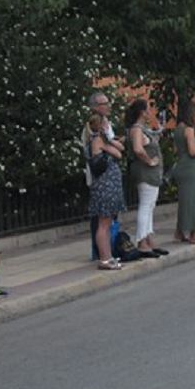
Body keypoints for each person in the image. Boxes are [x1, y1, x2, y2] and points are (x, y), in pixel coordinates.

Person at [126, 99, 167, 256]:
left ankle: (149, 239)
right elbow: (138, 149)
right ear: (142, 112)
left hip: (149, 173)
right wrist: (149, 161)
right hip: (145, 172)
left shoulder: (142, 129)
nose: (150, 112)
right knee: (146, 206)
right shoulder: (137, 129)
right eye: (148, 109)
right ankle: (142, 242)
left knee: (150, 206)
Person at [86, 112, 127, 269]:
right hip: (104, 187)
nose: (109, 125)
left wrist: (110, 138)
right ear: (101, 125)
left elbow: (120, 148)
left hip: (110, 186)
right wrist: (110, 141)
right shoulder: (97, 140)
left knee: (108, 223)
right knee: (103, 224)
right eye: (107, 123)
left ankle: (108, 256)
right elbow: (117, 152)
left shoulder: (104, 140)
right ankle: (104, 258)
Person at [82, 91, 116, 262]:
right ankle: (101, 254)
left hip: (108, 178)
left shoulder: (107, 125)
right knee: (102, 220)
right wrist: (111, 146)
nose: (108, 106)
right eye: (104, 103)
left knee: (107, 220)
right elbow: (113, 150)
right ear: (95, 107)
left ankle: (107, 251)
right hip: (101, 179)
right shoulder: (93, 132)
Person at [173, 101, 195, 246]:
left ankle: (180, 231)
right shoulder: (189, 130)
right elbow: (192, 151)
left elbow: (176, 150)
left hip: (181, 165)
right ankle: (194, 233)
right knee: (193, 201)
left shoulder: (178, 128)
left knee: (184, 201)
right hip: (190, 168)